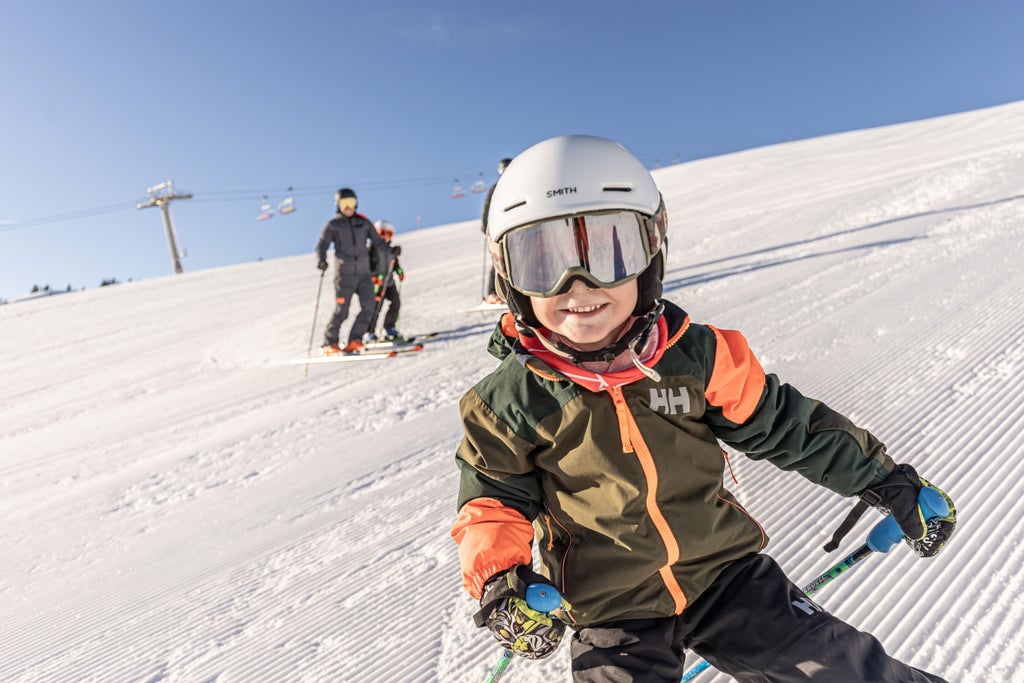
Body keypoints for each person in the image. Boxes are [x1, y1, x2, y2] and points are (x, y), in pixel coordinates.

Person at [450, 136, 957, 682]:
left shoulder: (698, 356)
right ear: (509, 277)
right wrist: (502, 582)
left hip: (726, 577)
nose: (578, 286)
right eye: (541, 262)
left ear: (651, 253)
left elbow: (790, 427)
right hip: (612, 609)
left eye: (609, 252)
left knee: (845, 670)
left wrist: (884, 480)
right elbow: (492, 504)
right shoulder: (506, 404)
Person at [315, 188, 392, 354]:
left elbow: (378, 242)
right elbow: (322, 244)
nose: (348, 207)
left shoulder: (363, 223)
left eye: (351, 203)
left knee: (369, 308)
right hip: (345, 275)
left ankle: (354, 340)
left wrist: (390, 252)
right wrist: (321, 259)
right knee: (342, 311)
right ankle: (330, 343)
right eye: (344, 203)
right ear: (338, 205)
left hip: (364, 275)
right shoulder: (333, 225)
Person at [479, 157, 512, 305]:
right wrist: (485, 223)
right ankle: (493, 293)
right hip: (499, 228)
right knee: (499, 259)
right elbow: (487, 207)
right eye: (502, 170)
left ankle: (514, 292)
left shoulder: (519, 185)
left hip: (514, 227)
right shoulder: (496, 188)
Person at [366, 219, 404, 342]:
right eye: (383, 233)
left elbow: (395, 264)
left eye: (389, 234)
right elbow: (367, 265)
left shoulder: (390, 250)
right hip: (377, 284)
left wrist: (399, 271)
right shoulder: (371, 249)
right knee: (376, 307)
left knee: (396, 303)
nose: (385, 237)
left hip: (389, 283)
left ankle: (389, 327)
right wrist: (374, 276)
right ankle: (369, 332)